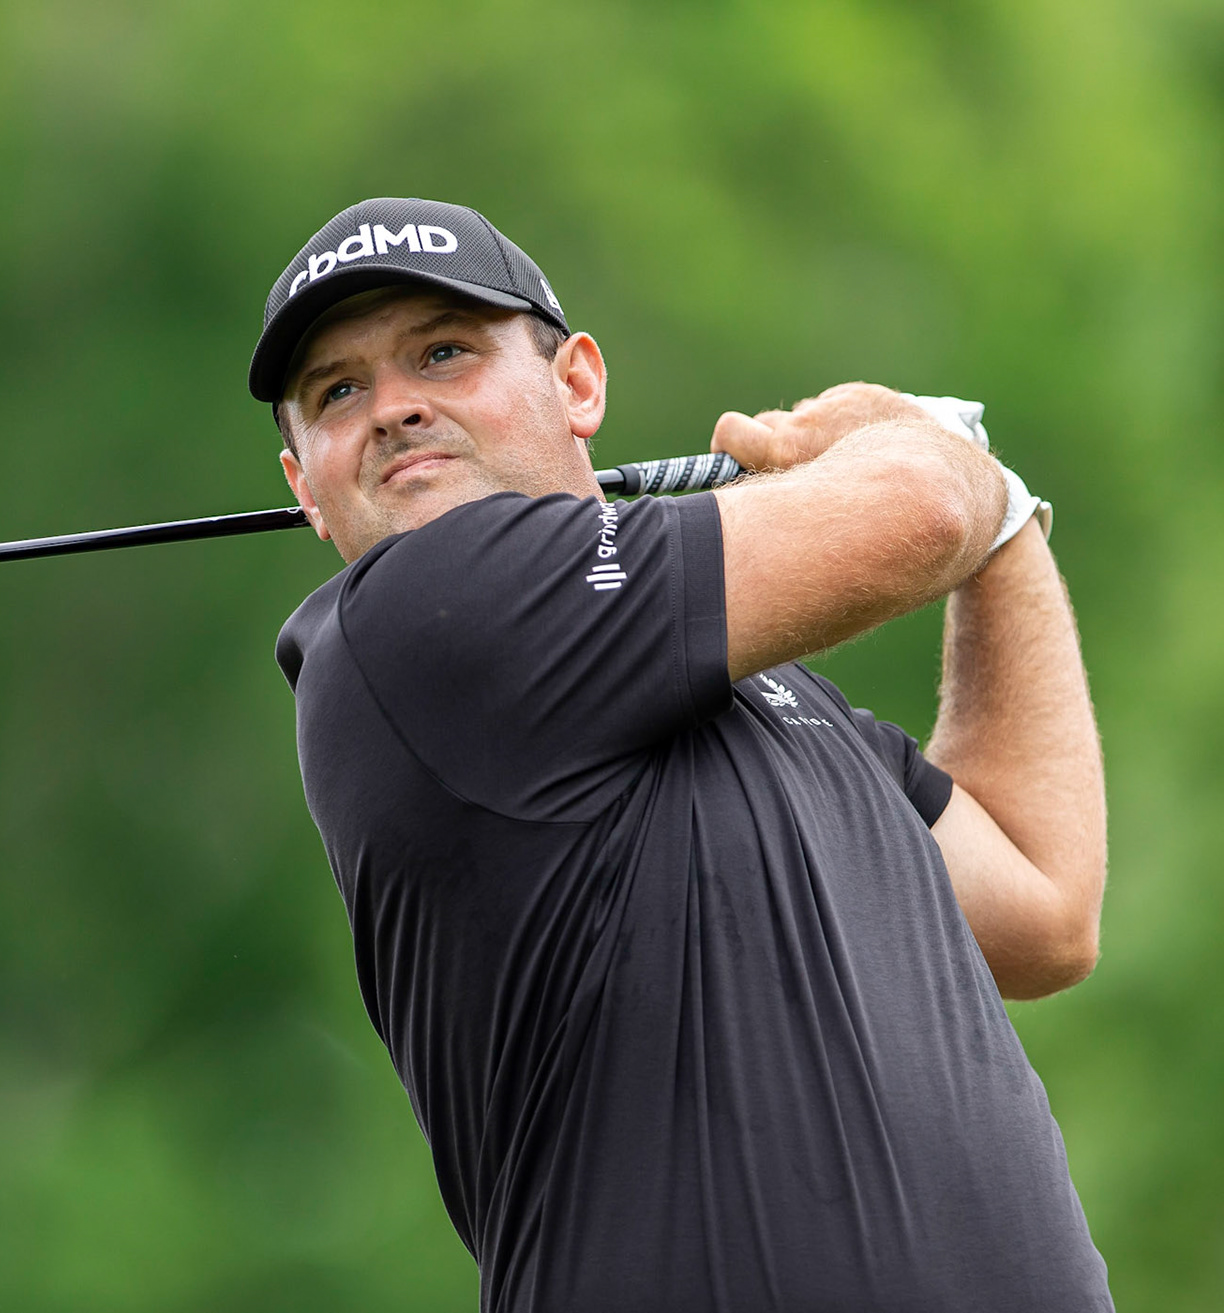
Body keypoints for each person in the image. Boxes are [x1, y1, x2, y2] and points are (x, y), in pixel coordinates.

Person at [254, 198, 1111, 1311]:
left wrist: (1002, 528)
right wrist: (932, 450)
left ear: (578, 385)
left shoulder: (767, 696)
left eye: (444, 351)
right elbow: (917, 508)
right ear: (303, 485)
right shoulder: (415, 620)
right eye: (338, 391)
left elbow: (1044, 905)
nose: (395, 408)